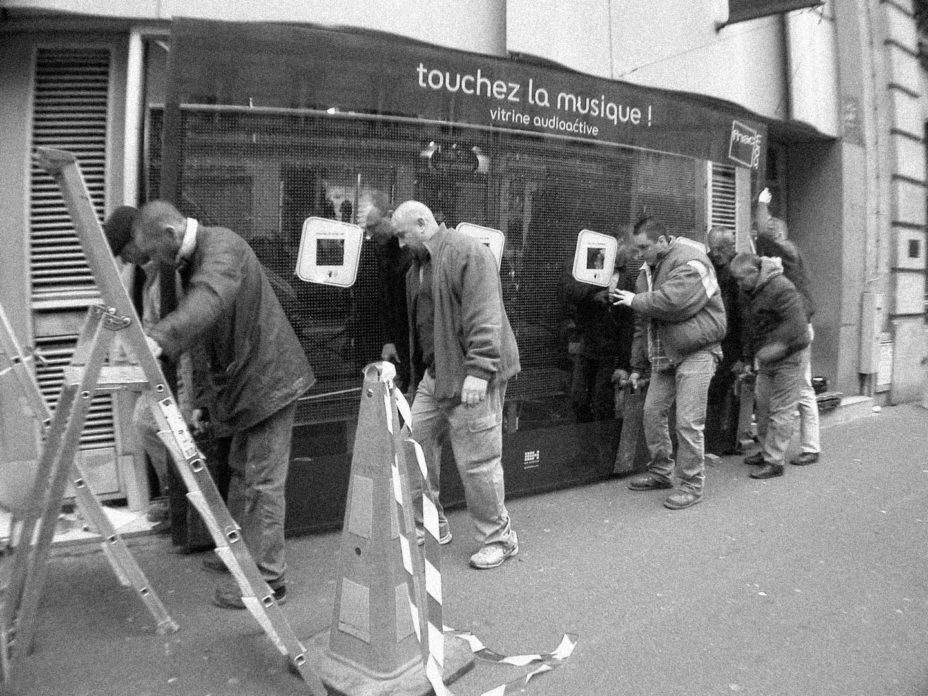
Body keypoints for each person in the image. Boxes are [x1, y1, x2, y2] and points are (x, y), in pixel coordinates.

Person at [131, 200, 314, 608]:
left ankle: (269, 582)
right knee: (240, 473)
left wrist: (158, 338)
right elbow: (204, 328)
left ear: (170, 235)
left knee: (263, 482)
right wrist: (199, 399)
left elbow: (207, 302)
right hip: (249, 384)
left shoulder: (221, 247)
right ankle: (240, 556)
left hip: (269, 383)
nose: (152, 261)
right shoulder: (195, 260)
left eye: (153, 252)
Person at [391, 200, 520, 569]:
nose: (400, 244)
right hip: (438, 375)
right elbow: (423, 329)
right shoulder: (416, 268)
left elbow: (485, 316)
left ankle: (500, 539)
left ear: (422, 222)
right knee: (410, 446)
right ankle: (431, 524)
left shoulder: (467, 253)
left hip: (471, 376)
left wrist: (479, 372)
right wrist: (418, 379)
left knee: (478, 462)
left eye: (403, 235)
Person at [612, 217, 726, 510]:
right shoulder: (645, 272)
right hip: (666, 354)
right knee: (652, 412)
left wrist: (636, 300)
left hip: (698, 350)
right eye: (636, 247)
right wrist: (638, 366)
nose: (638, 253)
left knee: (688, 422)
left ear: (662, 242)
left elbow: (674, 303)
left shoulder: (692, 261)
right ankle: (662, 472)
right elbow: (643, 325)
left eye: (644, 247)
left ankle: (691, 485)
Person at [754, 188, 820, 466]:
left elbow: (764, 235)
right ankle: (773, 447)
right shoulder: (781, 257)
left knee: (803, 391)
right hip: (787, 328)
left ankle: (811, 447)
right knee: (771, 394)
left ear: (779, 234)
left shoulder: (790, 252)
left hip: (798, 328)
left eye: (770, 233)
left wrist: (761, 205)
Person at [729, 252, 810, 479]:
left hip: (789, 355)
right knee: (763, 407)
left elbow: (798, 324)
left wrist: (775, 346)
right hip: (766, 356)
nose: (738, 283)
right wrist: (748, 358)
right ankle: (766, 451)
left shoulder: (781, 287)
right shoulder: (748, 290)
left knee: (781, 410)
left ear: (755, 273)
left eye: (740, 278)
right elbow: (748, 326)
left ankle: (774, 461)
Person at [705, 226, 744, 455]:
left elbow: (743, 315)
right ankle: (712, 443)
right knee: (713, 391)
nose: (720, 252)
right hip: (712, 336)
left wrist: (743, 355)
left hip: (731, 338)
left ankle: (728, 441)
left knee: (730, 388)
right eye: (716, 248)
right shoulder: (706, 264)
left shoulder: (739, 267)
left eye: (725, 247)